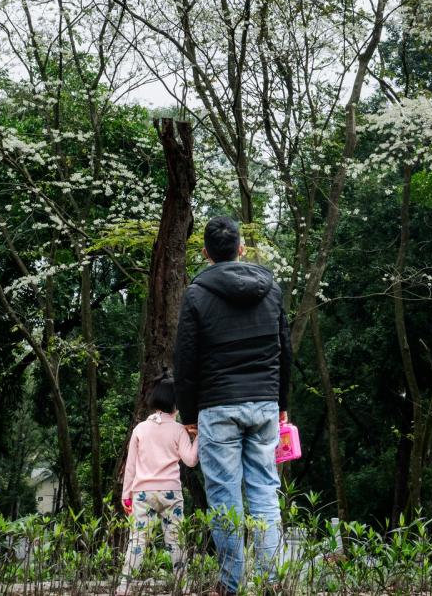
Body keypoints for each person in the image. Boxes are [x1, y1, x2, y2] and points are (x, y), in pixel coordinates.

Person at [173, 215, 292, 596]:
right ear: (241, 248)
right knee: (264, 493)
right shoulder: (271, 289)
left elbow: (186, 360)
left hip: (217, 406)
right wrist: (282, 402)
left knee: (224, 496)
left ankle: (230, 586)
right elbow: (284, 349)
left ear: (206, 252)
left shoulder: (196, 294)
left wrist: (189, 415)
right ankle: (273, 583)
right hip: (264, 403)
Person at [116, 377, 199, 594]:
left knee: (138, 540)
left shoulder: (140, 429)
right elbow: (190, 460)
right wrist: (197, 438)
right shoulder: (179, 429)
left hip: (142, 493)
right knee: (176, 540)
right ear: (175, 403)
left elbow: (131, 466)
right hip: (171, 493)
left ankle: (124, 587)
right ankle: (183, 586)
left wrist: (127, 495)